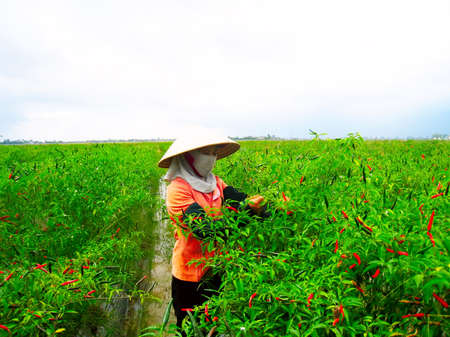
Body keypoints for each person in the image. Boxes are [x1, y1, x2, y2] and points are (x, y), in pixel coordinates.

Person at [158, 134, 265, 334]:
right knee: (189, 326)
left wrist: (265, 208)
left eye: (214, 153)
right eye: (206, 152)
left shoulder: (215, 183)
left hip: (215, 268)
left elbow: (240, 200)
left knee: (212, 321)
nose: (211, 158)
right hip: (189, 275)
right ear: (189, 156)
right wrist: (247, 211)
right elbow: (206, 230)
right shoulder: (177, 190)